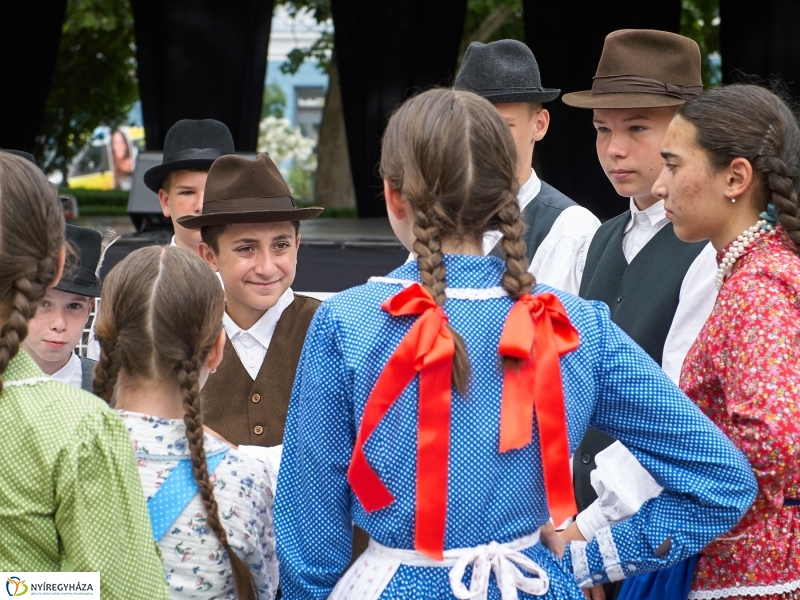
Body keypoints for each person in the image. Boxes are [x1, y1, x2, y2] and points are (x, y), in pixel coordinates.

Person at [272, 87, 757, 599]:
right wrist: (588, 561)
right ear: (506, 192)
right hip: (534, 583)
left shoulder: (346, 324)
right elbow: (722, 480)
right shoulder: (574, 324)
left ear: (394, 195)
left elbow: (310, 530)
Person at [629, 83, 800, 600]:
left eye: (674, 165)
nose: (660, 187)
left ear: (736, 177)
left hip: (750, 575)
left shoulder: (759, 286)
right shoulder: (763, 270)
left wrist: (680, 499)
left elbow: (776, 440)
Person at [560, 30, 720, 555]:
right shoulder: (596, 239)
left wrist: (593, 531)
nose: (614, 149)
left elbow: (679, 409)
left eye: (637, 128)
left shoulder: (708, 253)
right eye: (602, 129)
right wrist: (564, 514)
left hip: (658, 533)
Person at [0, 153, 169, 598]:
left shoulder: (81, 415)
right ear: (57, 263)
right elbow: (120, 592)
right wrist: (16, 588)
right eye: (46, 305)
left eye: (74, 306)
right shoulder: (78, 426)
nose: (58, 323)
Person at [93, 245, 279, 599]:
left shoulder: (64, 454)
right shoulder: (243, 480)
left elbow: (22, 588)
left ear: (104, 342)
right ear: (216, 349)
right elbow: (263, 589)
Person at [454, 39, 600, 294]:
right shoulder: (440, 216)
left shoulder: (572, 229)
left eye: (502, 125)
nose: (483, 139)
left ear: (539, 125)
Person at [22, 224, 101, 392]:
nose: (59, 324)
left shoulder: (110, 389)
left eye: (74, 306)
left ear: (89, 308)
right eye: (43, 303)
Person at [143, 119, 235, 252]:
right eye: (187, 192)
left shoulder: (259, 271)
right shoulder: (147, 273)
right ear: (166, 202)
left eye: (216, 191)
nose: (201, 207)